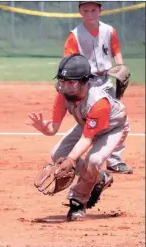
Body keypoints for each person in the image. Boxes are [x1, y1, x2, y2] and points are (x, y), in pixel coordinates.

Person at [26, 54, 129, 221]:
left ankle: (78, 202)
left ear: (85, 81)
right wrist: (44, 128)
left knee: (94, 160)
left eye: (71, 82)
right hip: (86, 123)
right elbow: (53, 128)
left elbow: (88, 139)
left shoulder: (98, 101)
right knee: (57, 154)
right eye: (62, 81)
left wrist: (71, 160)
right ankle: (99, 178)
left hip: (113, 128)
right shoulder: (63, 94)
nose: (65, 86)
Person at [62, 1, 133, 174]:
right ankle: (84, 154)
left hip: (106, 80)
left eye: (93, 9)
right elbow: (69, 59)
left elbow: (116, 51)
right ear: (79, 11)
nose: (89, 13)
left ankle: (113, 159)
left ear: (100, 10)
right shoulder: (75, 35)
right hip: (86, 82)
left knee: (118, 118)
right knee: (90, 119)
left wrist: (120, 66)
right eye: (85, 10)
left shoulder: (109, 30)